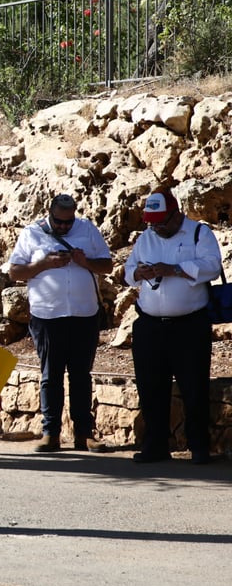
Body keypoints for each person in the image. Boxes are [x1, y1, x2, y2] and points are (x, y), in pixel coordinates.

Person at [124, 188, 222, 464]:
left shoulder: (198, 233)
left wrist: (174, 269)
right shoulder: (146, 237)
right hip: (150, 324)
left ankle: (198, 446)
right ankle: (155, 445)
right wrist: (138, 273)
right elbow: (128, 271)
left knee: (194, 385)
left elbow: (212, 266)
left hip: (189, 324)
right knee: (151, 387)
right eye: (152, 222)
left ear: (176, 214)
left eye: (162, 221)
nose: (157, 227)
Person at [8, 193, 112, 453]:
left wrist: (84, 261)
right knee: (50, 376)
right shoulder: (32, 233)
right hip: (47, 316)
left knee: (80, 375)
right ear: (50, 214)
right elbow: (15, 272)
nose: (64, 227)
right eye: (59, 222)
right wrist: (43, 264)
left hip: (84, 315)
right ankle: (50, 433)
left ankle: (84, 434)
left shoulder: (87, 230)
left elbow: (108, 265)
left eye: (68, 222)